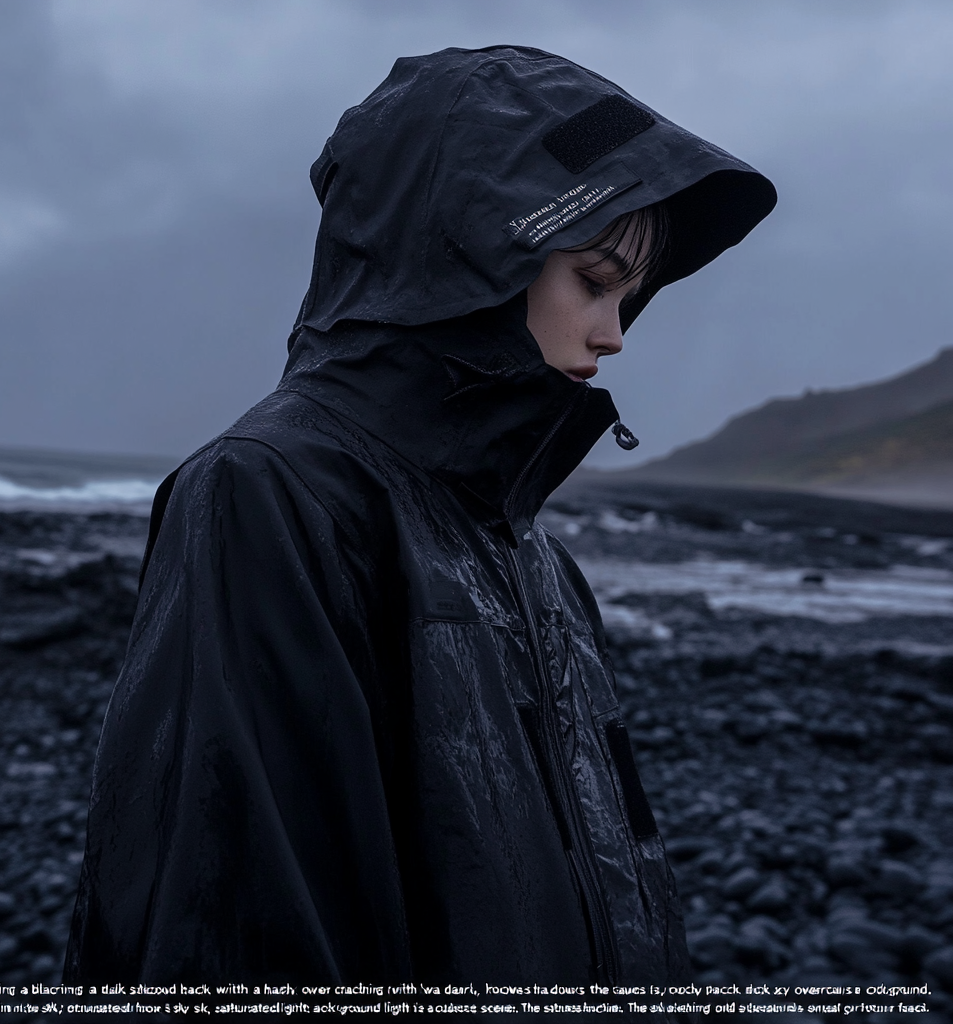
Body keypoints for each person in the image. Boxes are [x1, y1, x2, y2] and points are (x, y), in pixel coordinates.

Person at [64, 45, 775, 989]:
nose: (612, 333)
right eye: (595, 281)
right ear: (471, 253)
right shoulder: (268, 495)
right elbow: (232, 927)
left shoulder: (527, 543)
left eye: (628, 296)